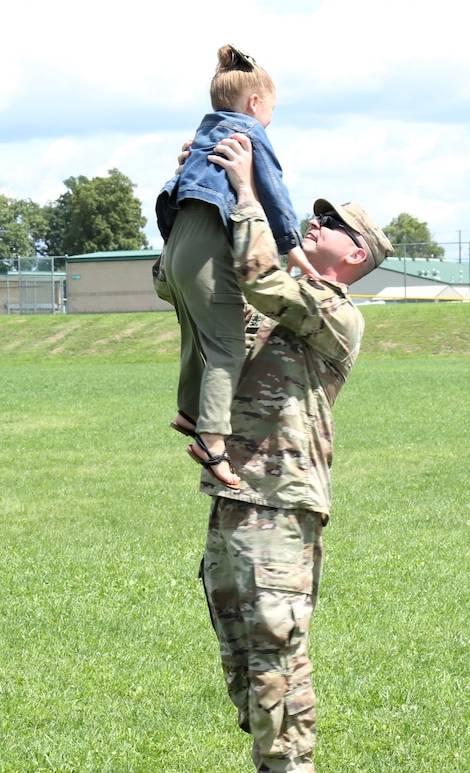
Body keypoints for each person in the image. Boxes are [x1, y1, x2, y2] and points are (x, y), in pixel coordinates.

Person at [185, 133, 394, 773]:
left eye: (330, 222)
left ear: (355, 253)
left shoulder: (335, 314)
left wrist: (247, 190)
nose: (314, 220)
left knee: (277, 652)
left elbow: (261, 278)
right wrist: (195, 202)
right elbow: (188, 290)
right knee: (244, 667)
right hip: (232, 495)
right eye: (316, 212)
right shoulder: (278, 301)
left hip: (281, 504)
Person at [155, 44, 319, 490]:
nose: (270, 119)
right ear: (253, 103)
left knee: (195, 334)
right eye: (271, 110)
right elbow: (274, 187)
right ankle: (211, 442)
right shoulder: (249, 132)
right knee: (226, 348)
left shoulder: (202, 136)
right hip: (208, 244)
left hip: (177, 245)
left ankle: (189, 410)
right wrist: (294, 247)